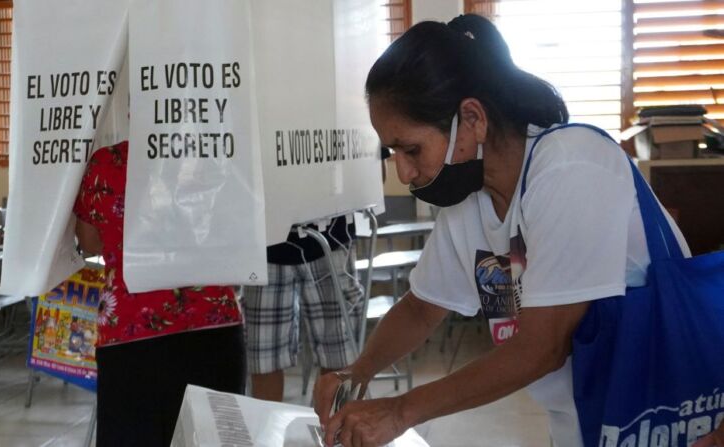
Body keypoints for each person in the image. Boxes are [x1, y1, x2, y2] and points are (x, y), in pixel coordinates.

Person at [313, 14, 694, 447]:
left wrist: (399, 412)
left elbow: (541, 348)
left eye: (411, 148)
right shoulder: (473, 197)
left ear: (471, 118)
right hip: (585, 420)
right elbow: (422, 307)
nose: (403, 171)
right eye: (392, 151)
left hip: (664, 414)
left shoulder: (570, 166)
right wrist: (356, 371)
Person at [74, 141, 245, 446]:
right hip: (213, 322)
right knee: (211, 438)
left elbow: (89, 242)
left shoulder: (107, 162)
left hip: (131, 330)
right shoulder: (214, 155)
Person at [242, 216, 364, 402]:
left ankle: (331, 429)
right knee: (263, 359)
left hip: (332, 239)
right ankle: (266, 429)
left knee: (340, 357)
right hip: (264, 244)